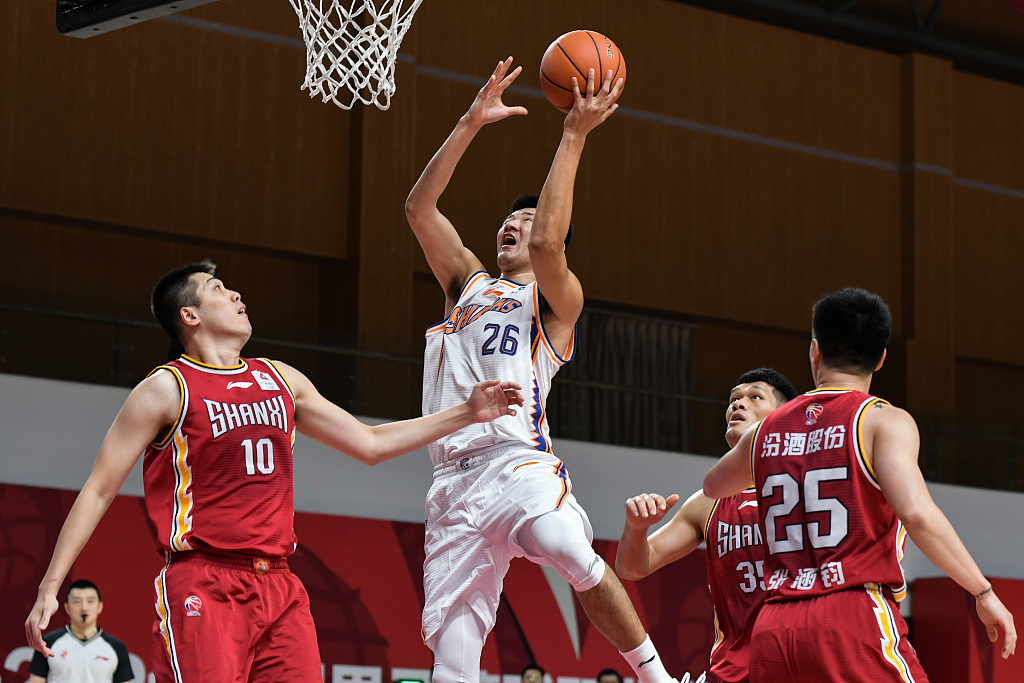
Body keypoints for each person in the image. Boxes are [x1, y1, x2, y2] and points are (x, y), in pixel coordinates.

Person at [25, 259, 524, 683]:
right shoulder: (166, 388)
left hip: (279, 585)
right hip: (203, 581)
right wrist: (51, 584)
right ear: (189, 315)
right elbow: (99, 490)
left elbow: (370, 443)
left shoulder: (279, 378)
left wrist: (466, 413)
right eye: (218, 289)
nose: (236, 294)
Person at [405, 57, 688, 683]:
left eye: (528, 218)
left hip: (516, 462)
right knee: (451, 660)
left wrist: (574, 133)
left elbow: (546, 246)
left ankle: (655, 677)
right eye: (508, 219)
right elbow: (420, 209)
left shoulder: (557, 302)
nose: (513, 225)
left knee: (566, 545)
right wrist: (469, 123)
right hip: (451, 481)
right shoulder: (465, 284)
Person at [703, 287, 1017, 680]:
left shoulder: (766, 431)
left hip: (774, 625)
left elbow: (713, 486)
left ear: (815, 351)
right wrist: (982, 591)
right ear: (881, 357)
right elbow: (917, 514)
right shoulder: (881, 420)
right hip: (850, 613)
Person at [616, 368, 798, 683]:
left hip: (796, 666)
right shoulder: (707, 503)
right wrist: (636, 527)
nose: (738, 404)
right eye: (734, 399)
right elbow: (632, 567)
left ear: (782, 416)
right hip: (730, 672)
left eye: (755, 397)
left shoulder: (805, 489)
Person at [28, 579, 134, 683]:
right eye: (77, 602)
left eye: (90, 601)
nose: (84, 608)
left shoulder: (116, 647)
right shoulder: (47, 644)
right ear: (67, 608)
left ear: (99, 607)